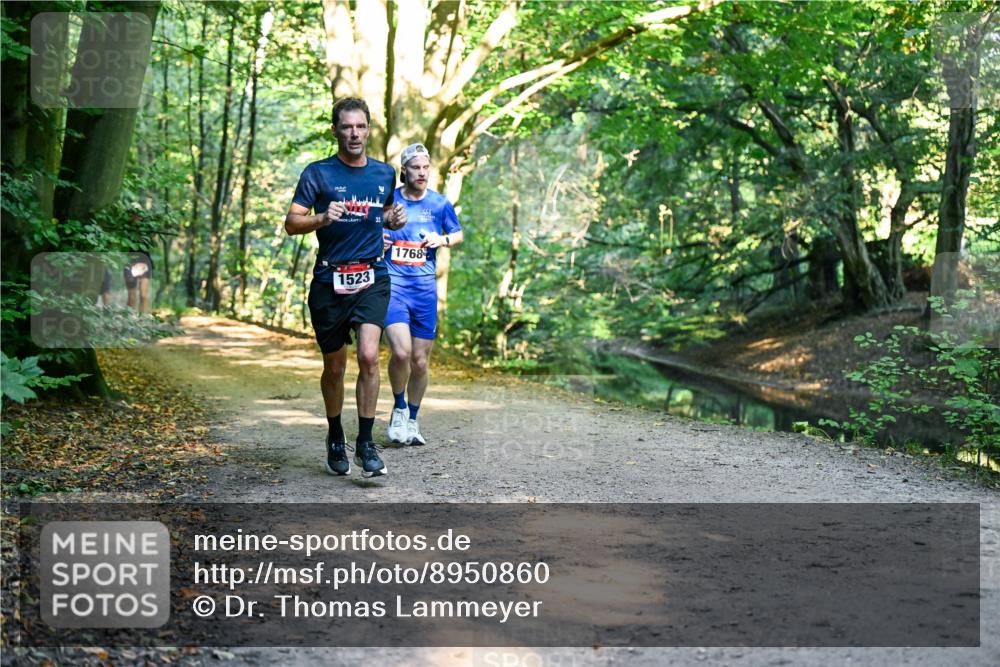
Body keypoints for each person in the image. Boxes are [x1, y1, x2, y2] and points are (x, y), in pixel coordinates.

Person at [284, 97, 407, 478]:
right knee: (335, 367)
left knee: (369, 356)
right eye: (347, 127)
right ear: (335, 130)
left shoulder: (385, 173)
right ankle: (336, 434)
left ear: (369, 130)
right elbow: (292, 223)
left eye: (361, 126)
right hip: (330, 280)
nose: (354, 134)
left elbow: (383, 213)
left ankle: (366, 443)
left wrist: (394, 219)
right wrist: (321, 217)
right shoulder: (317, 174)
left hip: (372, 276)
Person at [383, 143, 463, 445]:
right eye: (415, 167)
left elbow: (457, 234)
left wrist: (441, 240)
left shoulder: (440, 204)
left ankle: (413, 420)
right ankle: (399, 408)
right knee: (401, 352)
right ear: (404, 170)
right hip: (394, 286)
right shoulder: (389, 200)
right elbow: (370, 227)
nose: (421, 173)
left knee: (419, 361)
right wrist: (379, 240)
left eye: (425, 167)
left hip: (425, 290)